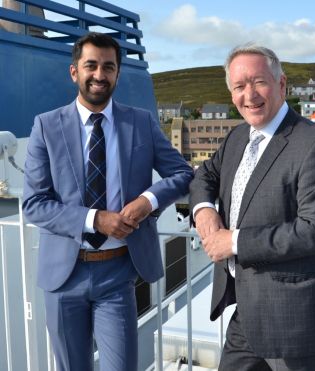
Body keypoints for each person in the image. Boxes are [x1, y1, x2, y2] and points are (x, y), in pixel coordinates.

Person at [22, 32, 193, 371]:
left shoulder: (141, 122)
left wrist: (147, 200)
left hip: (117, 273)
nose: (99, 75)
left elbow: (183, 174)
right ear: (75, 72)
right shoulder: (46, 126)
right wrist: (95, 219)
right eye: (91, 66)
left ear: (117, 73)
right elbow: (34, 204)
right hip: (63, 277)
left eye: (108, 67)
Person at [189, 43, 315, 371]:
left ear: (281, 84)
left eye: (258, 82)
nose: (249, 95)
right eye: (239, 86)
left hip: (298, 320)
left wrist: (232, 241)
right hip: (247, 311)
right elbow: (204, 175)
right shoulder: (238, 138)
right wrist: (204, 209)